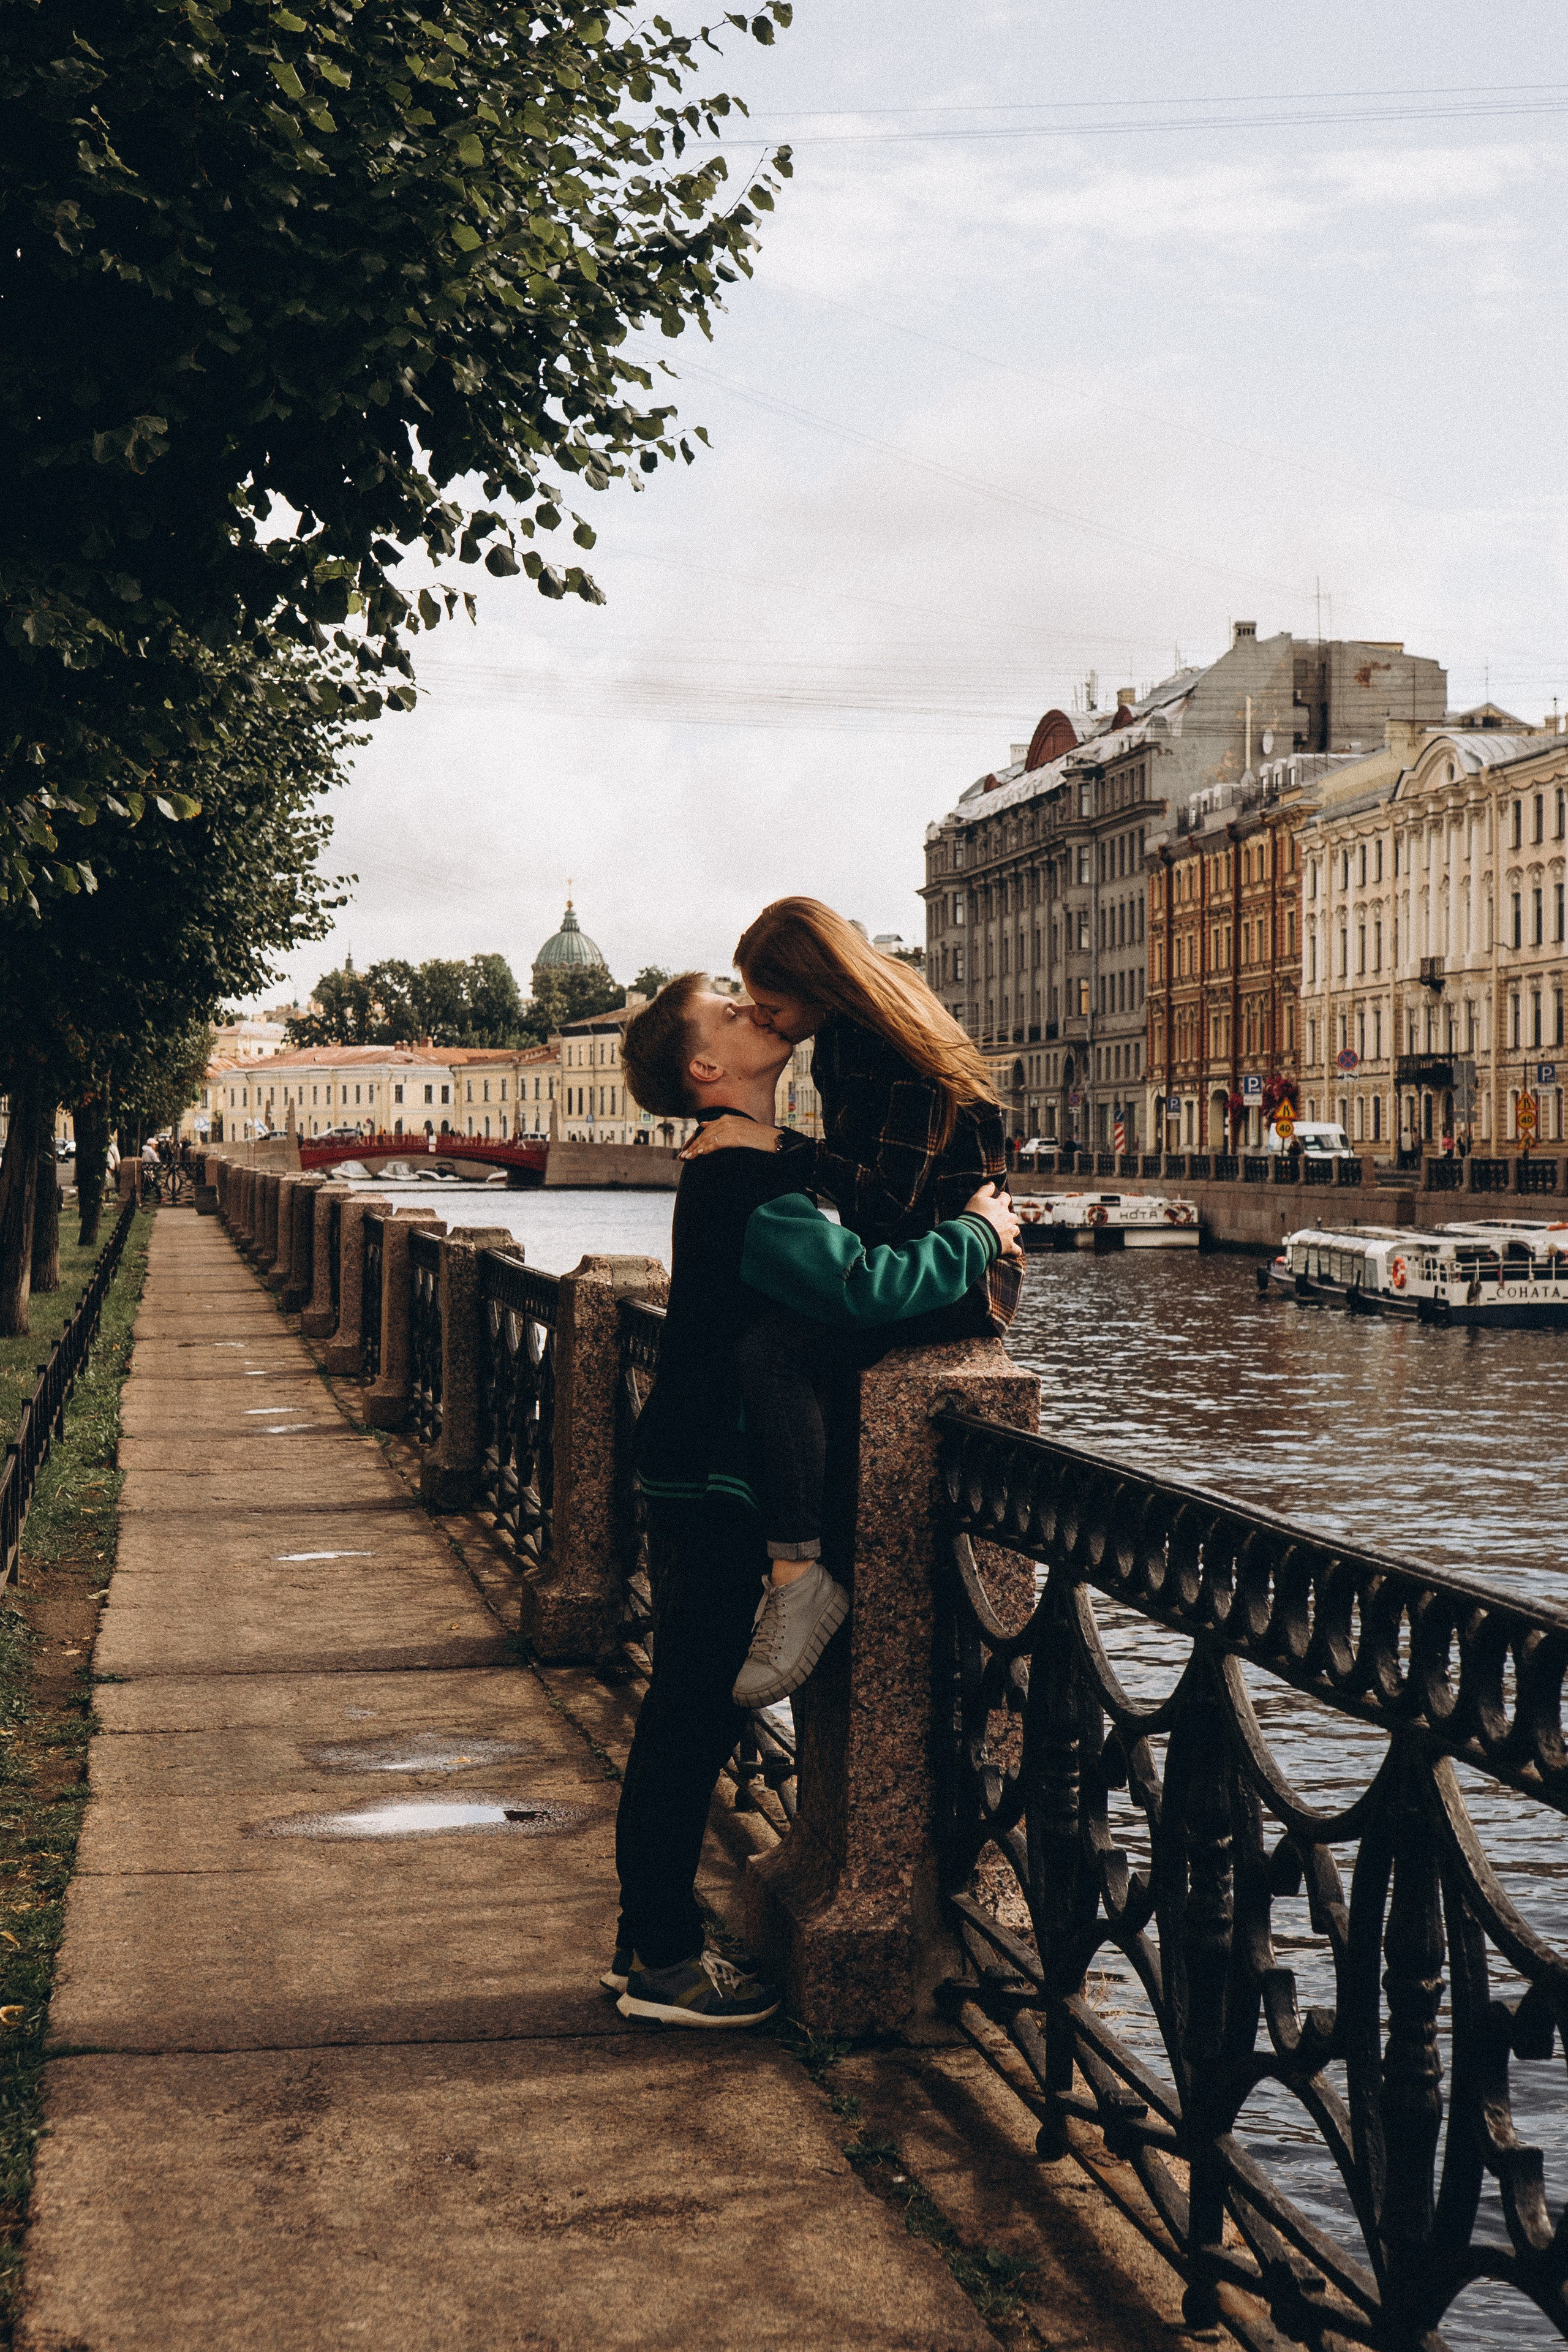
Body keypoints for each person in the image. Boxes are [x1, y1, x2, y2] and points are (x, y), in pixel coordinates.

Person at [609, 974, 1019, 2027]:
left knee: (683, 1711)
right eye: (730, 1007)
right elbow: (859, 1288)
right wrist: (978, 1233)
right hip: (713, 1477)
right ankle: (659, 1960)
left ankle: (645, 1944)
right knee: (688, 1717)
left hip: (695, 1463)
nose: (756, 1009)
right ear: (705, 1069)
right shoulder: (744, 1181)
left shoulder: (743, 1161)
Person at [678, 899, 1020, 1705]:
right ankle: (797, 1565)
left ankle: (799, 1577)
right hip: (915, 1258)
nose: (764, 1019)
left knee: (775, 1351)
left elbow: (893, 1204)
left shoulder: (898, 1048)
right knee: (778, 1338)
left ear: (818, 985)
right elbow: (865, 1204)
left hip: (964, 1272)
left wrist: (777, 1149)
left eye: (772, 1005)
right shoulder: (834, 1039)